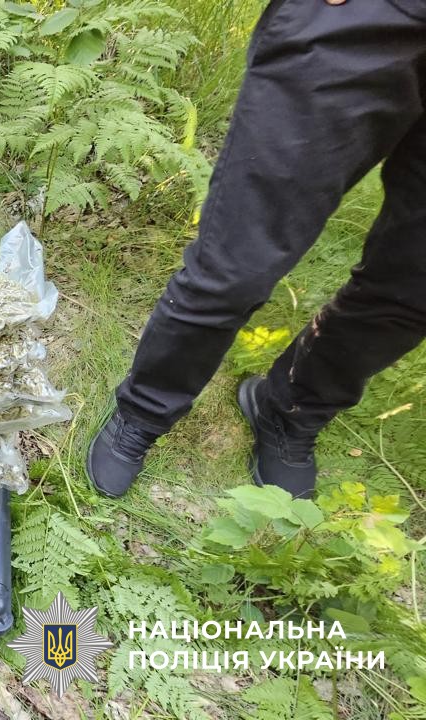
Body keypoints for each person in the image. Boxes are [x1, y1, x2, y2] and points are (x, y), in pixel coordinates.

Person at [86, 0, 426, 500]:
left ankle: (290, 410)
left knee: (412, 291)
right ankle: (144, 411)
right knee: (237, 263)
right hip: (370, 20)